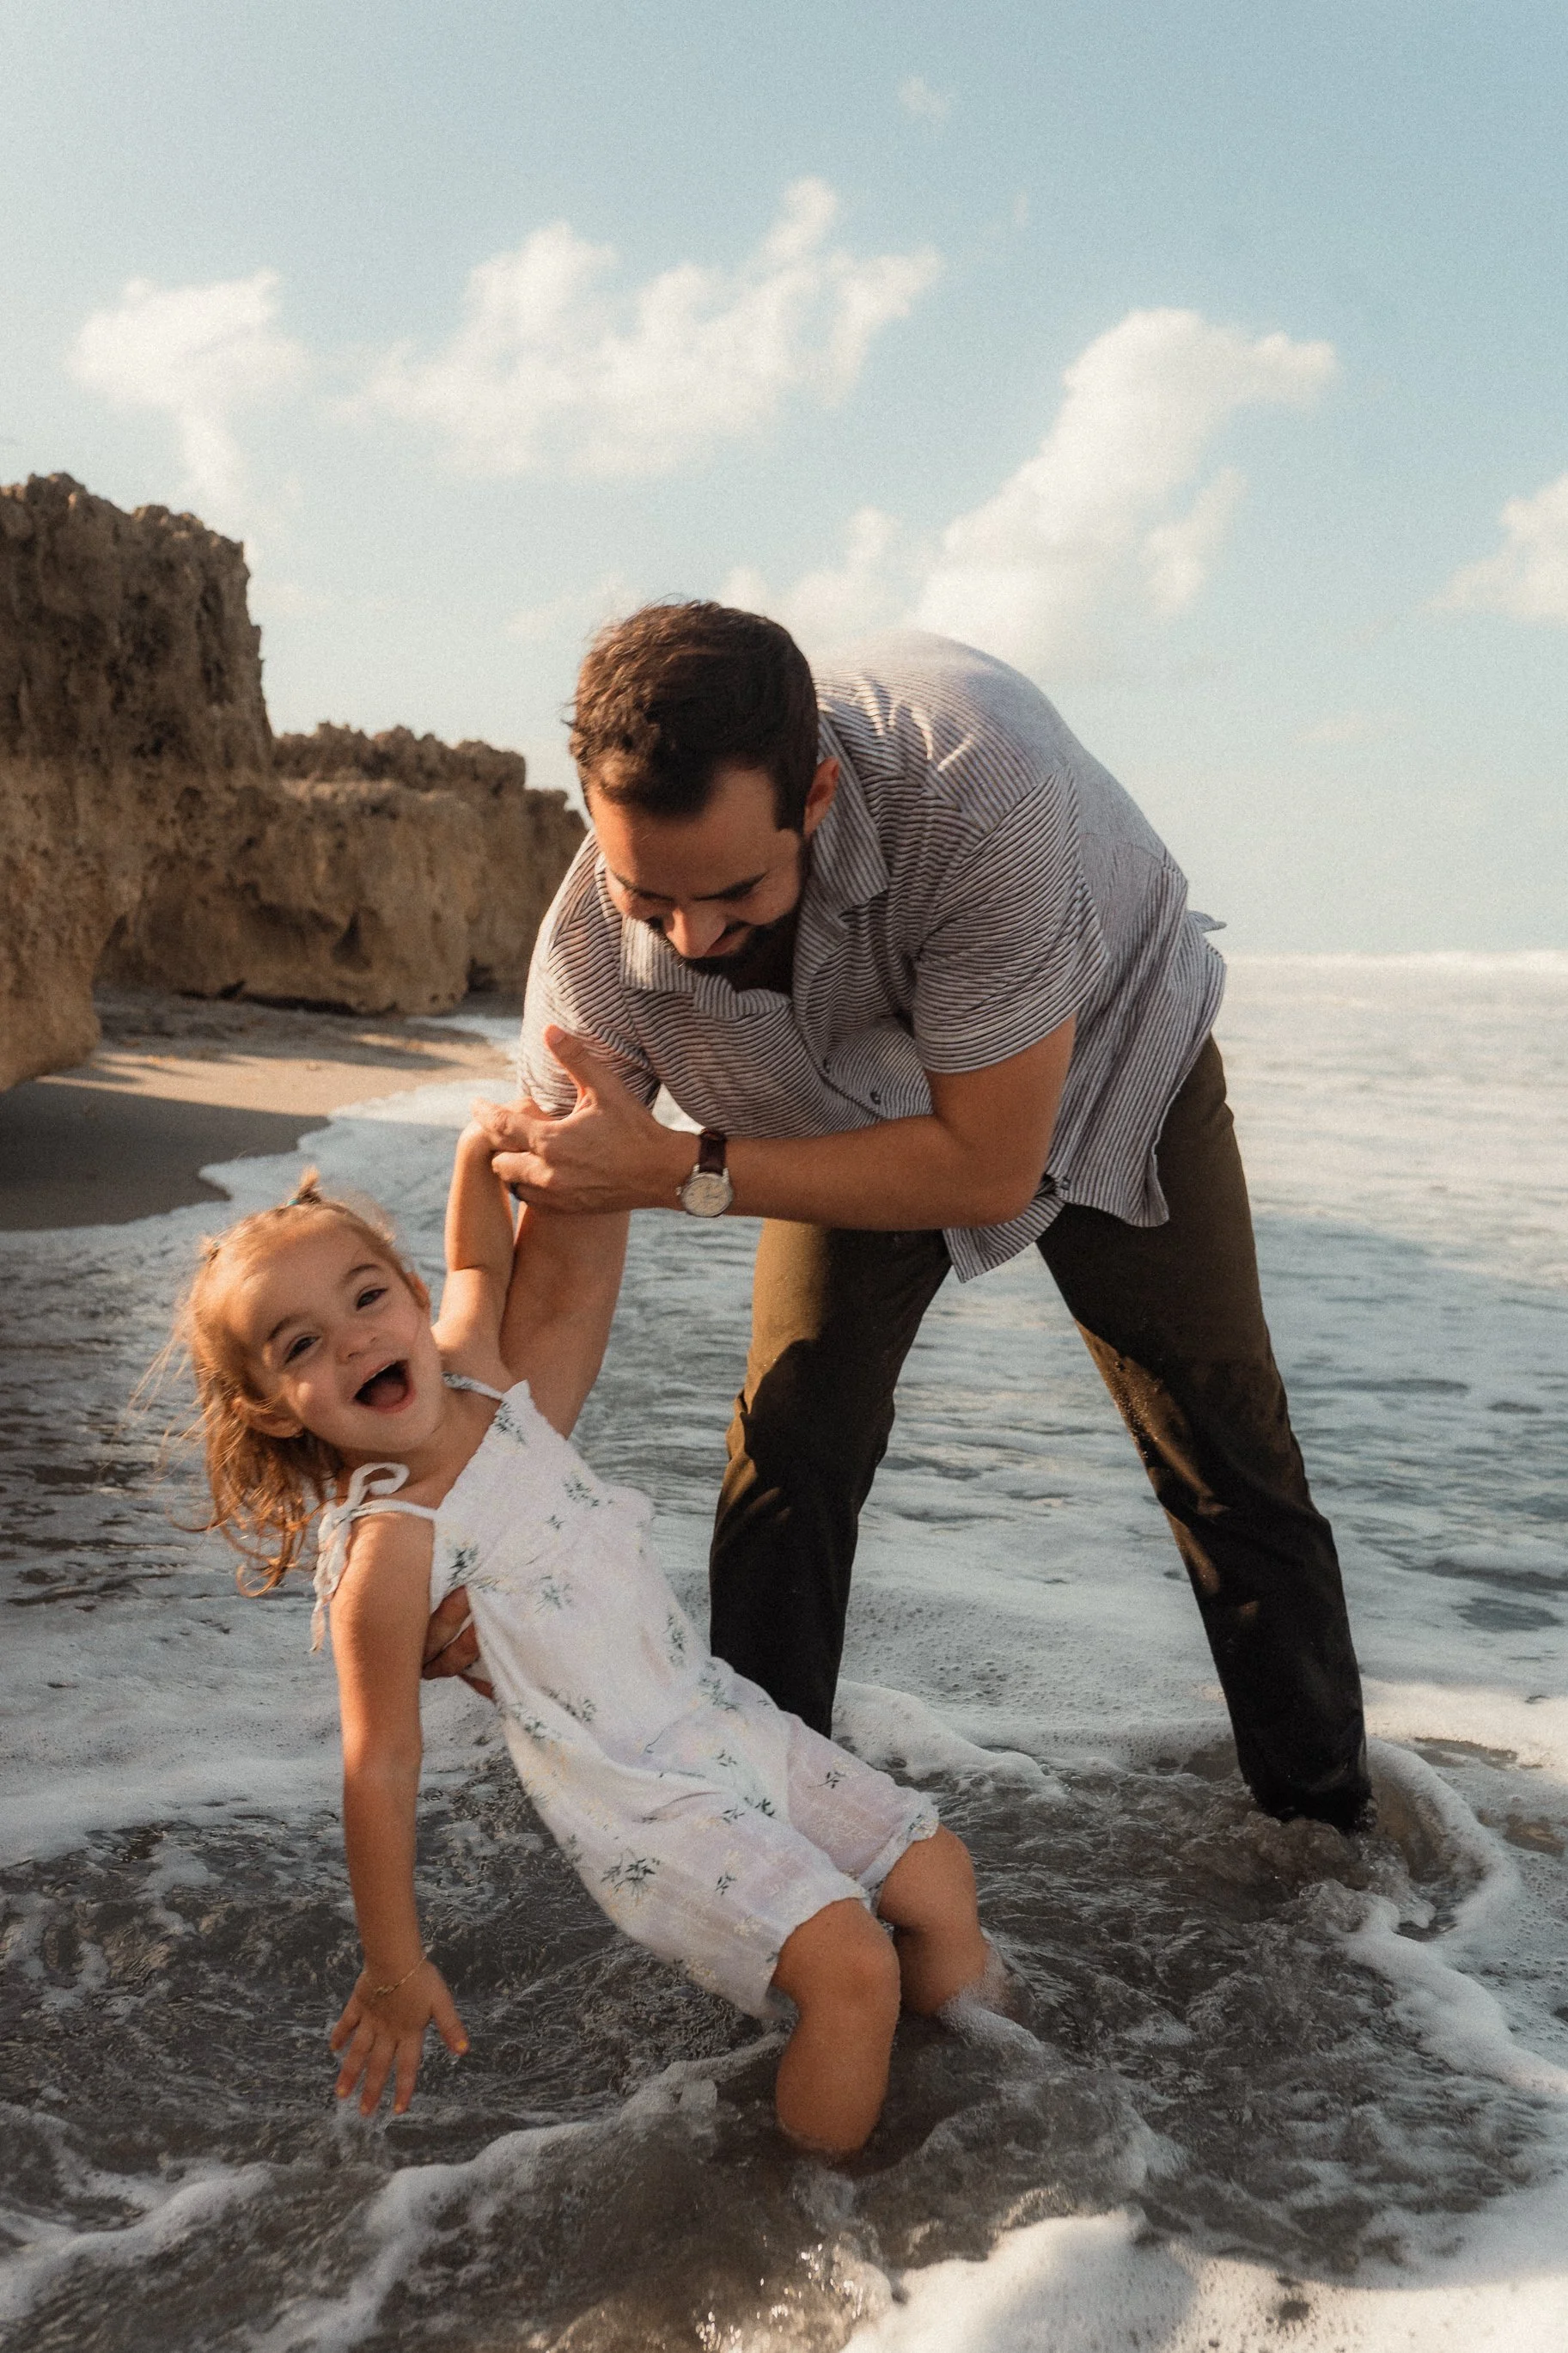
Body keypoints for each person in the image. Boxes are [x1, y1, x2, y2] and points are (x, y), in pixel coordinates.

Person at [429, 603, 1372, 1834]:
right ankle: (763, 1827)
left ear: (816, 796)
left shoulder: (981, 790)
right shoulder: (590, 962)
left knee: (1222, 1441)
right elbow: (556, 1286)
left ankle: (1326, 1841)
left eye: (733, 892)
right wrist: (480, 1529)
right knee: (792, 1441)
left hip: (1103, 1058)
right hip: (831, 1114)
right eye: (648, 897)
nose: (692, 938)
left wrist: (679, 1166)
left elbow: (983, 1168)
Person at [170, 1130, 991, 2154]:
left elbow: (480, 1261)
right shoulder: (390, 1547)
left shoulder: (476, 1372)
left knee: (937, 1874)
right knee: (852, 1969)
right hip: (637, 1797)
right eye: (299, 1344)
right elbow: (377, 1764)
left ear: (414, 1296)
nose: (350, 1340)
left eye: (367, 1296)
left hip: (719, 1714)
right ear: (268, 1408)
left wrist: (475, 1152)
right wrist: (392, 1964)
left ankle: (993, 2071)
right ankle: (816, 2200)